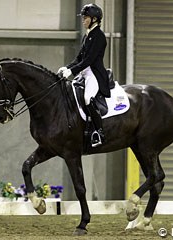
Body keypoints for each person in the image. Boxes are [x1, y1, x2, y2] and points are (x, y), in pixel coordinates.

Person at [58, 3, 110, 147]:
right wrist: (67, 67)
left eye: (85, 18)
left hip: (94, 73)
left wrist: (72, 71)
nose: (83, 20)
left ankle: (99, 132)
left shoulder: (99, 36)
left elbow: (89, 60)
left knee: (88, 98)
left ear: (94, 19)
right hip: (84, 71)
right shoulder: (87, 36)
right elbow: (79, 58)